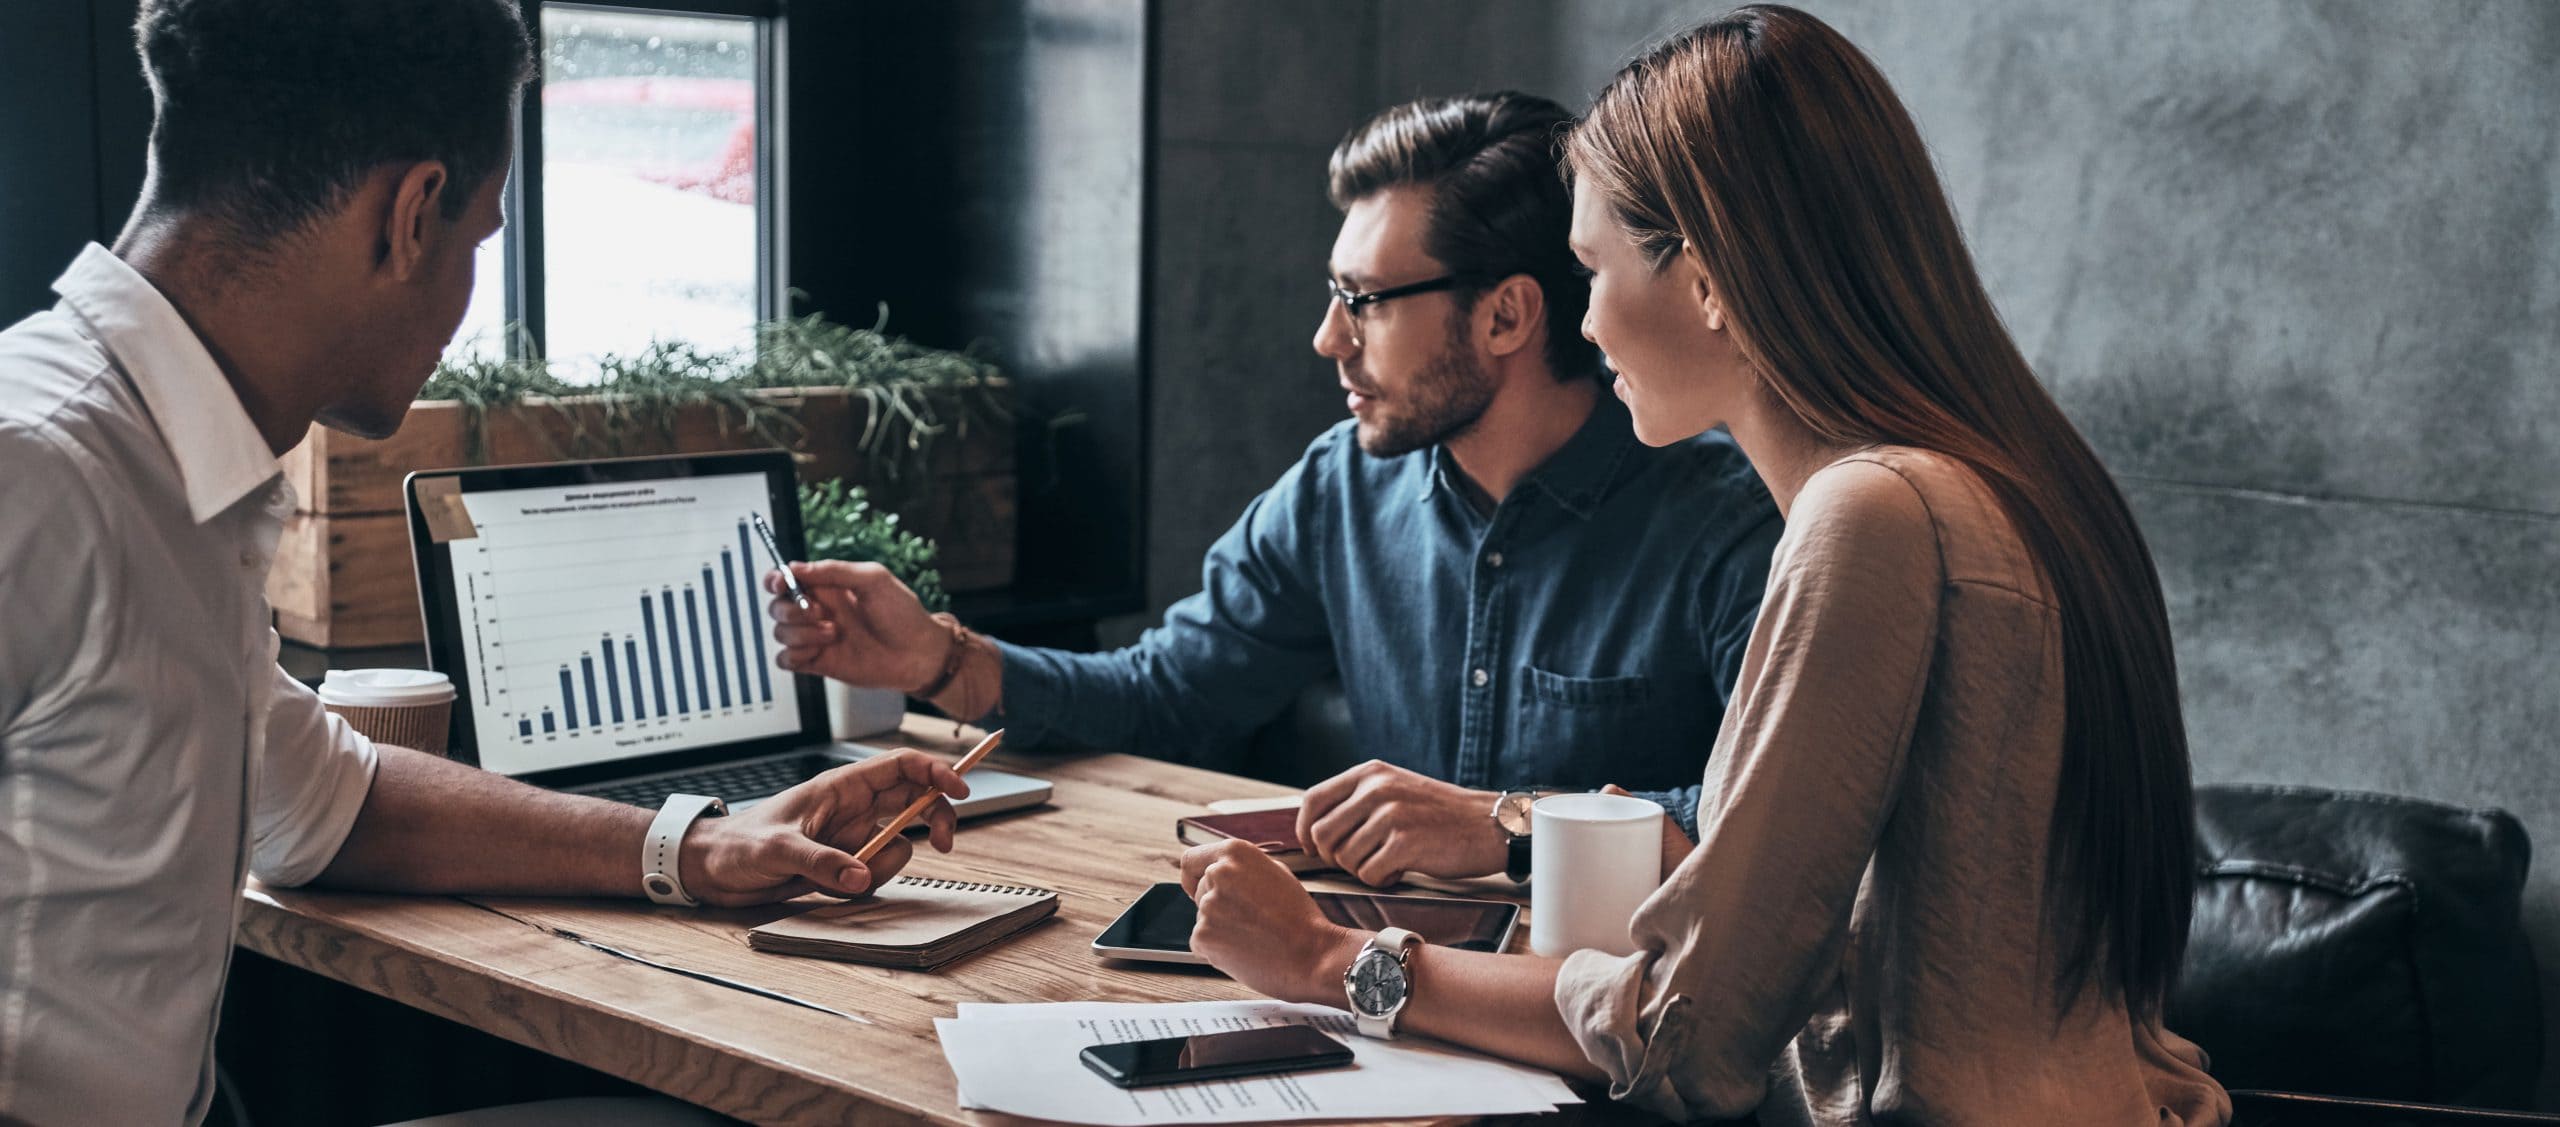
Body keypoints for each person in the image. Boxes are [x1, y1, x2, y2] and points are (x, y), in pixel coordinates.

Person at [1176, 7, 2233, 1124]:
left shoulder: (1871, 515)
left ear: (1710, 275)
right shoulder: (2005, 477)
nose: (1582, 326)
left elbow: (1687, 1036)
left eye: (1591, 270)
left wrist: (1327, 959)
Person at [0, 3, 968, 1124]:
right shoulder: (37, 472)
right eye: (477, 240)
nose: (466, 302)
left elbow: (327, 802)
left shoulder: (168, 468)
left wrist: (703, 846)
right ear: (411, 214)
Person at [768, 92, 1781, 888]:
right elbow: (1168, 695)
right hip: (1379, 998)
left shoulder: (1726, 523)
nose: (1327, 338)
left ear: (1507, 317)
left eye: (1364, 302)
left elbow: (1767, 828)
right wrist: (938, 656)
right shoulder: (1339, 488)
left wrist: (1506, 821)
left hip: (1614, 1039)